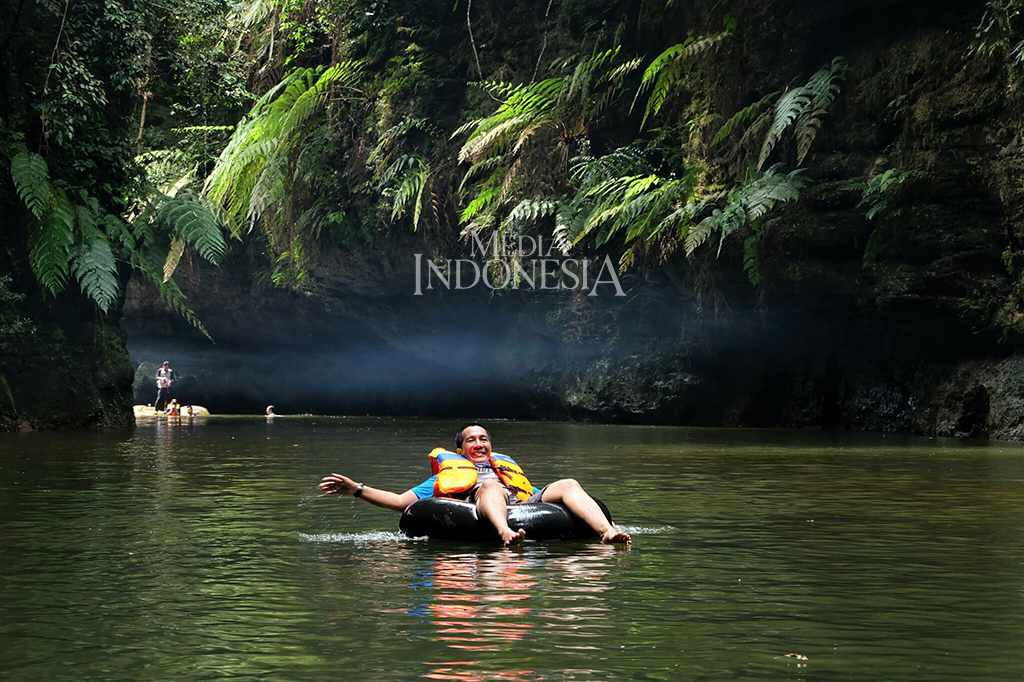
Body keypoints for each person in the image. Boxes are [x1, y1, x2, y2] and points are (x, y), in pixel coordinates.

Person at [319, 423, 631, 547]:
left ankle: (606, 531)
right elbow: (402, 502)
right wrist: (357, 489)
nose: (479, 444)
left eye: (484, 439)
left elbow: (532, 494)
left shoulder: (504, 465)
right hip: (481, 505)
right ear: (460, 451)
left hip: (524, 503)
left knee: (568, 482)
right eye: (471, 440)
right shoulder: (447, 475)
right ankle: (504, 532)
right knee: (490, 487)